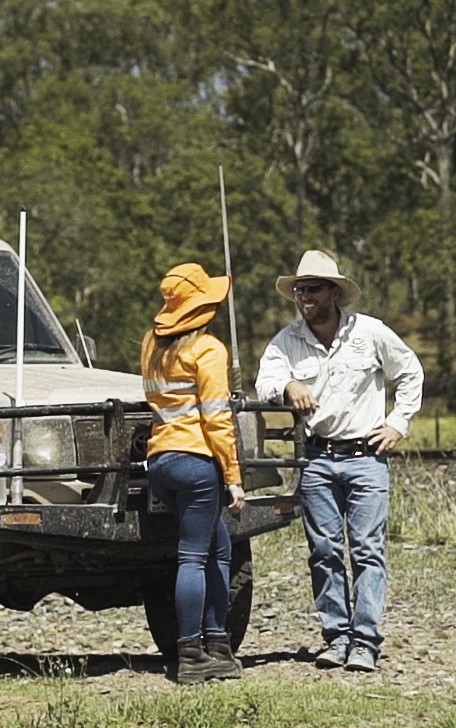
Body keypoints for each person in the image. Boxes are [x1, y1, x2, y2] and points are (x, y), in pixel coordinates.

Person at [255, 250, 424, 673]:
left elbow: (410, 372)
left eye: (313, 288)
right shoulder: (287, 342)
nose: (304, 296)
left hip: (366, 457)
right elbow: (265, 382)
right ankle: (336, 636)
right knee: (324, 551)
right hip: (317, 458)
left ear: (334, 292)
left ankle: (365, 640)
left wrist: (397, 424)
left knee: (368, 550)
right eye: (299, 289)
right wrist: (288, 384)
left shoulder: (370, 332)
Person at [141, 262, 247, 684]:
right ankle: (190, 654)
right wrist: (234, 477)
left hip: (161, 461)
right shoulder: (209, 350)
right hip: (197, 462)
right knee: (193, 555)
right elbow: (217, 419)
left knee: (218, 548)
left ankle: (217, 643)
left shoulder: (151, 344)